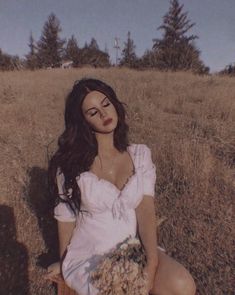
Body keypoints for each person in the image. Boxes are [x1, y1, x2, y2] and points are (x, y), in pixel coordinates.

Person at [45, 78, 196, 295]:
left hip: (132, 247)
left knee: (182, 285)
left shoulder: (140, 155)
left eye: (106, 104)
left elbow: (145, 211)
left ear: (115, 104)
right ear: (83, 121)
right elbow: (66, 220)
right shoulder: (69, 165)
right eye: (93, 112)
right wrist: (63, 262)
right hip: (91, 254)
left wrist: (151, 264)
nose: (104, 114)